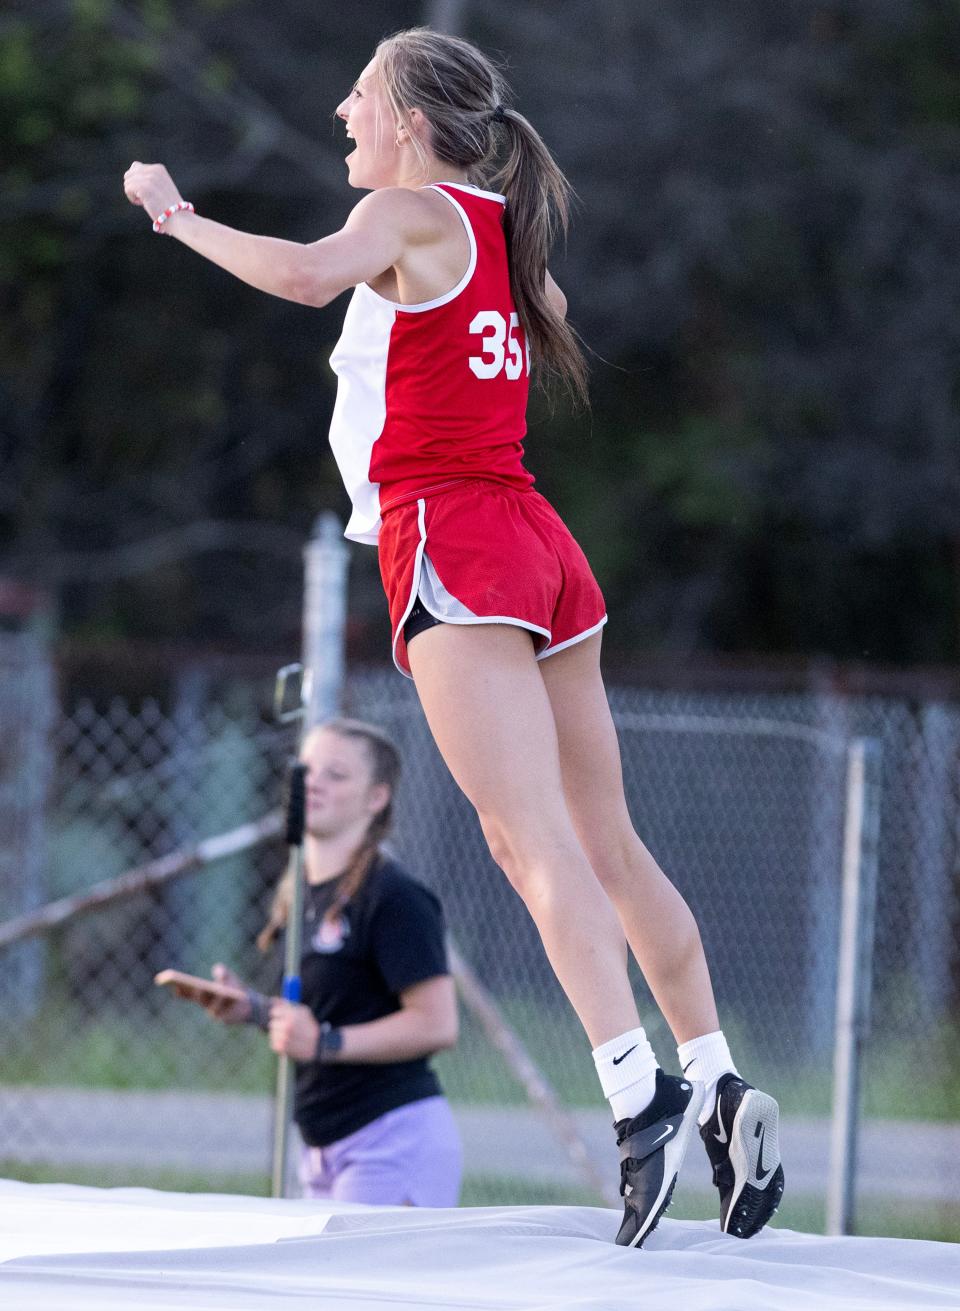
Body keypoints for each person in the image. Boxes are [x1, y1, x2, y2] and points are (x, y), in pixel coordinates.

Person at [123, 25, 784, 1245]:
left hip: (454, 538)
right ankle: (719, 1083)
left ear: (417, 122)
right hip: (536, 537)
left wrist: (176, 216)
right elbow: (484, 318)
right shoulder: (508, 237)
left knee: (524, 841)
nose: (341, 111)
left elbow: (309, 274)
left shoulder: (416, 213)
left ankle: (640, 1102)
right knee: (606, 840)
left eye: (362, 95)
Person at [200, 718, 462, 1207]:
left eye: (336, 774)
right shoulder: (299, 892)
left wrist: (324, 1042)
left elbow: (437, 1024)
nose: (313, 783)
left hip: (390, 1140)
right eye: (307, 770)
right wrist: (254, 1010)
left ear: (376, 798)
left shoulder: (393, 896)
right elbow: (322, 1010)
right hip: (321, 1143)